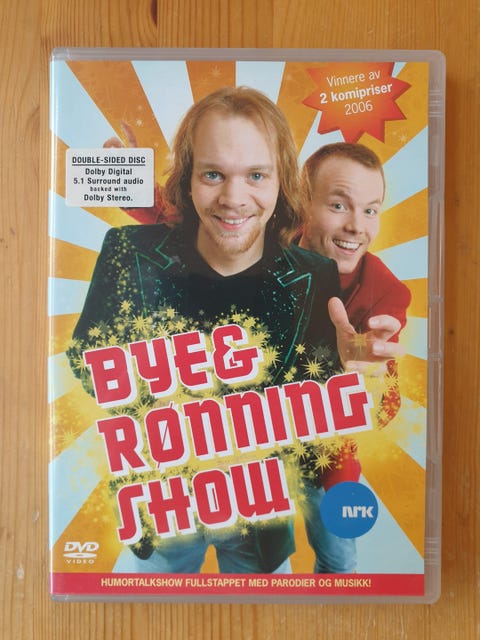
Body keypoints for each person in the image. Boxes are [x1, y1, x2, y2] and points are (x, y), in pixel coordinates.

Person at [68, 86, 345, 574]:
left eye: (256, 175)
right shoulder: (127, 253)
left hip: (260, 519)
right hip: (162, 510)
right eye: (213, 174)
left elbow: (318, 402)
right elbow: (84, 359)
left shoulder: (315, 276)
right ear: (189, 181)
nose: (233, 199)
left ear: (281, 182)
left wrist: (358, 375)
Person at [298, 142, 411, 573]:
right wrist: (131, 182)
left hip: (327, 459)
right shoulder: (264, 239)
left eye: (370, 210)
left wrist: (364, 380)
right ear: (302, 203)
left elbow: (384, 403)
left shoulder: (386, 294)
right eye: (339, 205)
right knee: (258, 564)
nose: (357, 227)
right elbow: (191, 226)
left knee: (340, 564)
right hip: (249, 441)